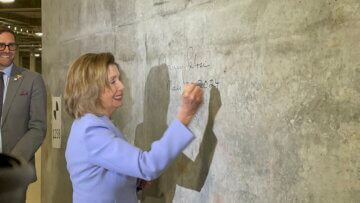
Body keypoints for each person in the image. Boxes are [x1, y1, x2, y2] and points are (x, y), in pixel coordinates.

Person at [64, 52, 203, 203]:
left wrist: (134, 181)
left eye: (119, 79)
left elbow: (101, 175)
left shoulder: (93, 124)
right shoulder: (91, 131)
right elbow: (148, 165)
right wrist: (185, 115)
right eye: (113, 81)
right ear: (91, 89)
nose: (121, 86)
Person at [0, 26, 47, 202]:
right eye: (2, 45)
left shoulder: (32, 80)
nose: (7, 50)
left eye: (11, 45)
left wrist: (11, 161)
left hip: (15, 171)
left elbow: (38, 127)